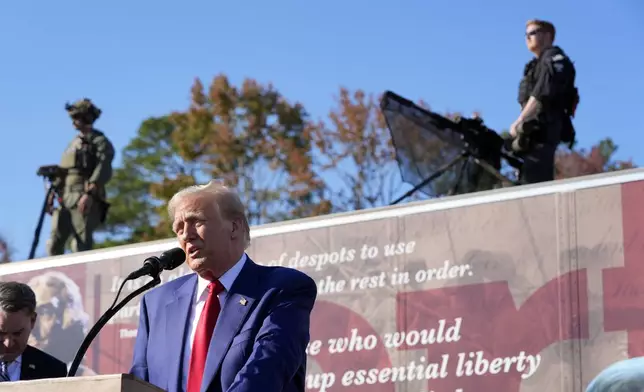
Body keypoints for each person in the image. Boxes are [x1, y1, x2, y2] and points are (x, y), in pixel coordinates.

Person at [129, 180, 318, 392]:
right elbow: (139, 382)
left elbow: (266, 371)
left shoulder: (281, 289)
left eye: (196, 222)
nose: (186, 234)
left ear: (234, 227)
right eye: (178, 228)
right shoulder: (156, 303)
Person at [509, 19, 579, 184]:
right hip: (529, 133)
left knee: (536, 183)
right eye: (526, 35)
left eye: (533, 33)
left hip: (544, 130)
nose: (528, 38)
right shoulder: (533, 66)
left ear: (548, 36)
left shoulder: (555, 59)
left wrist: (520, 120)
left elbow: (542, 93)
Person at [46, 98, 115, 256]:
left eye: (76, 117)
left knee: (81, 243)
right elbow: (64, 171)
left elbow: (103, 167)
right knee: (54, 241)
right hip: (65, 197)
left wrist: (90, 193)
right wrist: (52, 194)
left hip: (83, 195)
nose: (73, 121)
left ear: (86, 117)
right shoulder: (73, 144)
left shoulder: (99, 141)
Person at [0, 281, 68, 382]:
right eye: (1, 333)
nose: (9, 343)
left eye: (17, 333)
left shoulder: (53, 370)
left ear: (32, 320)